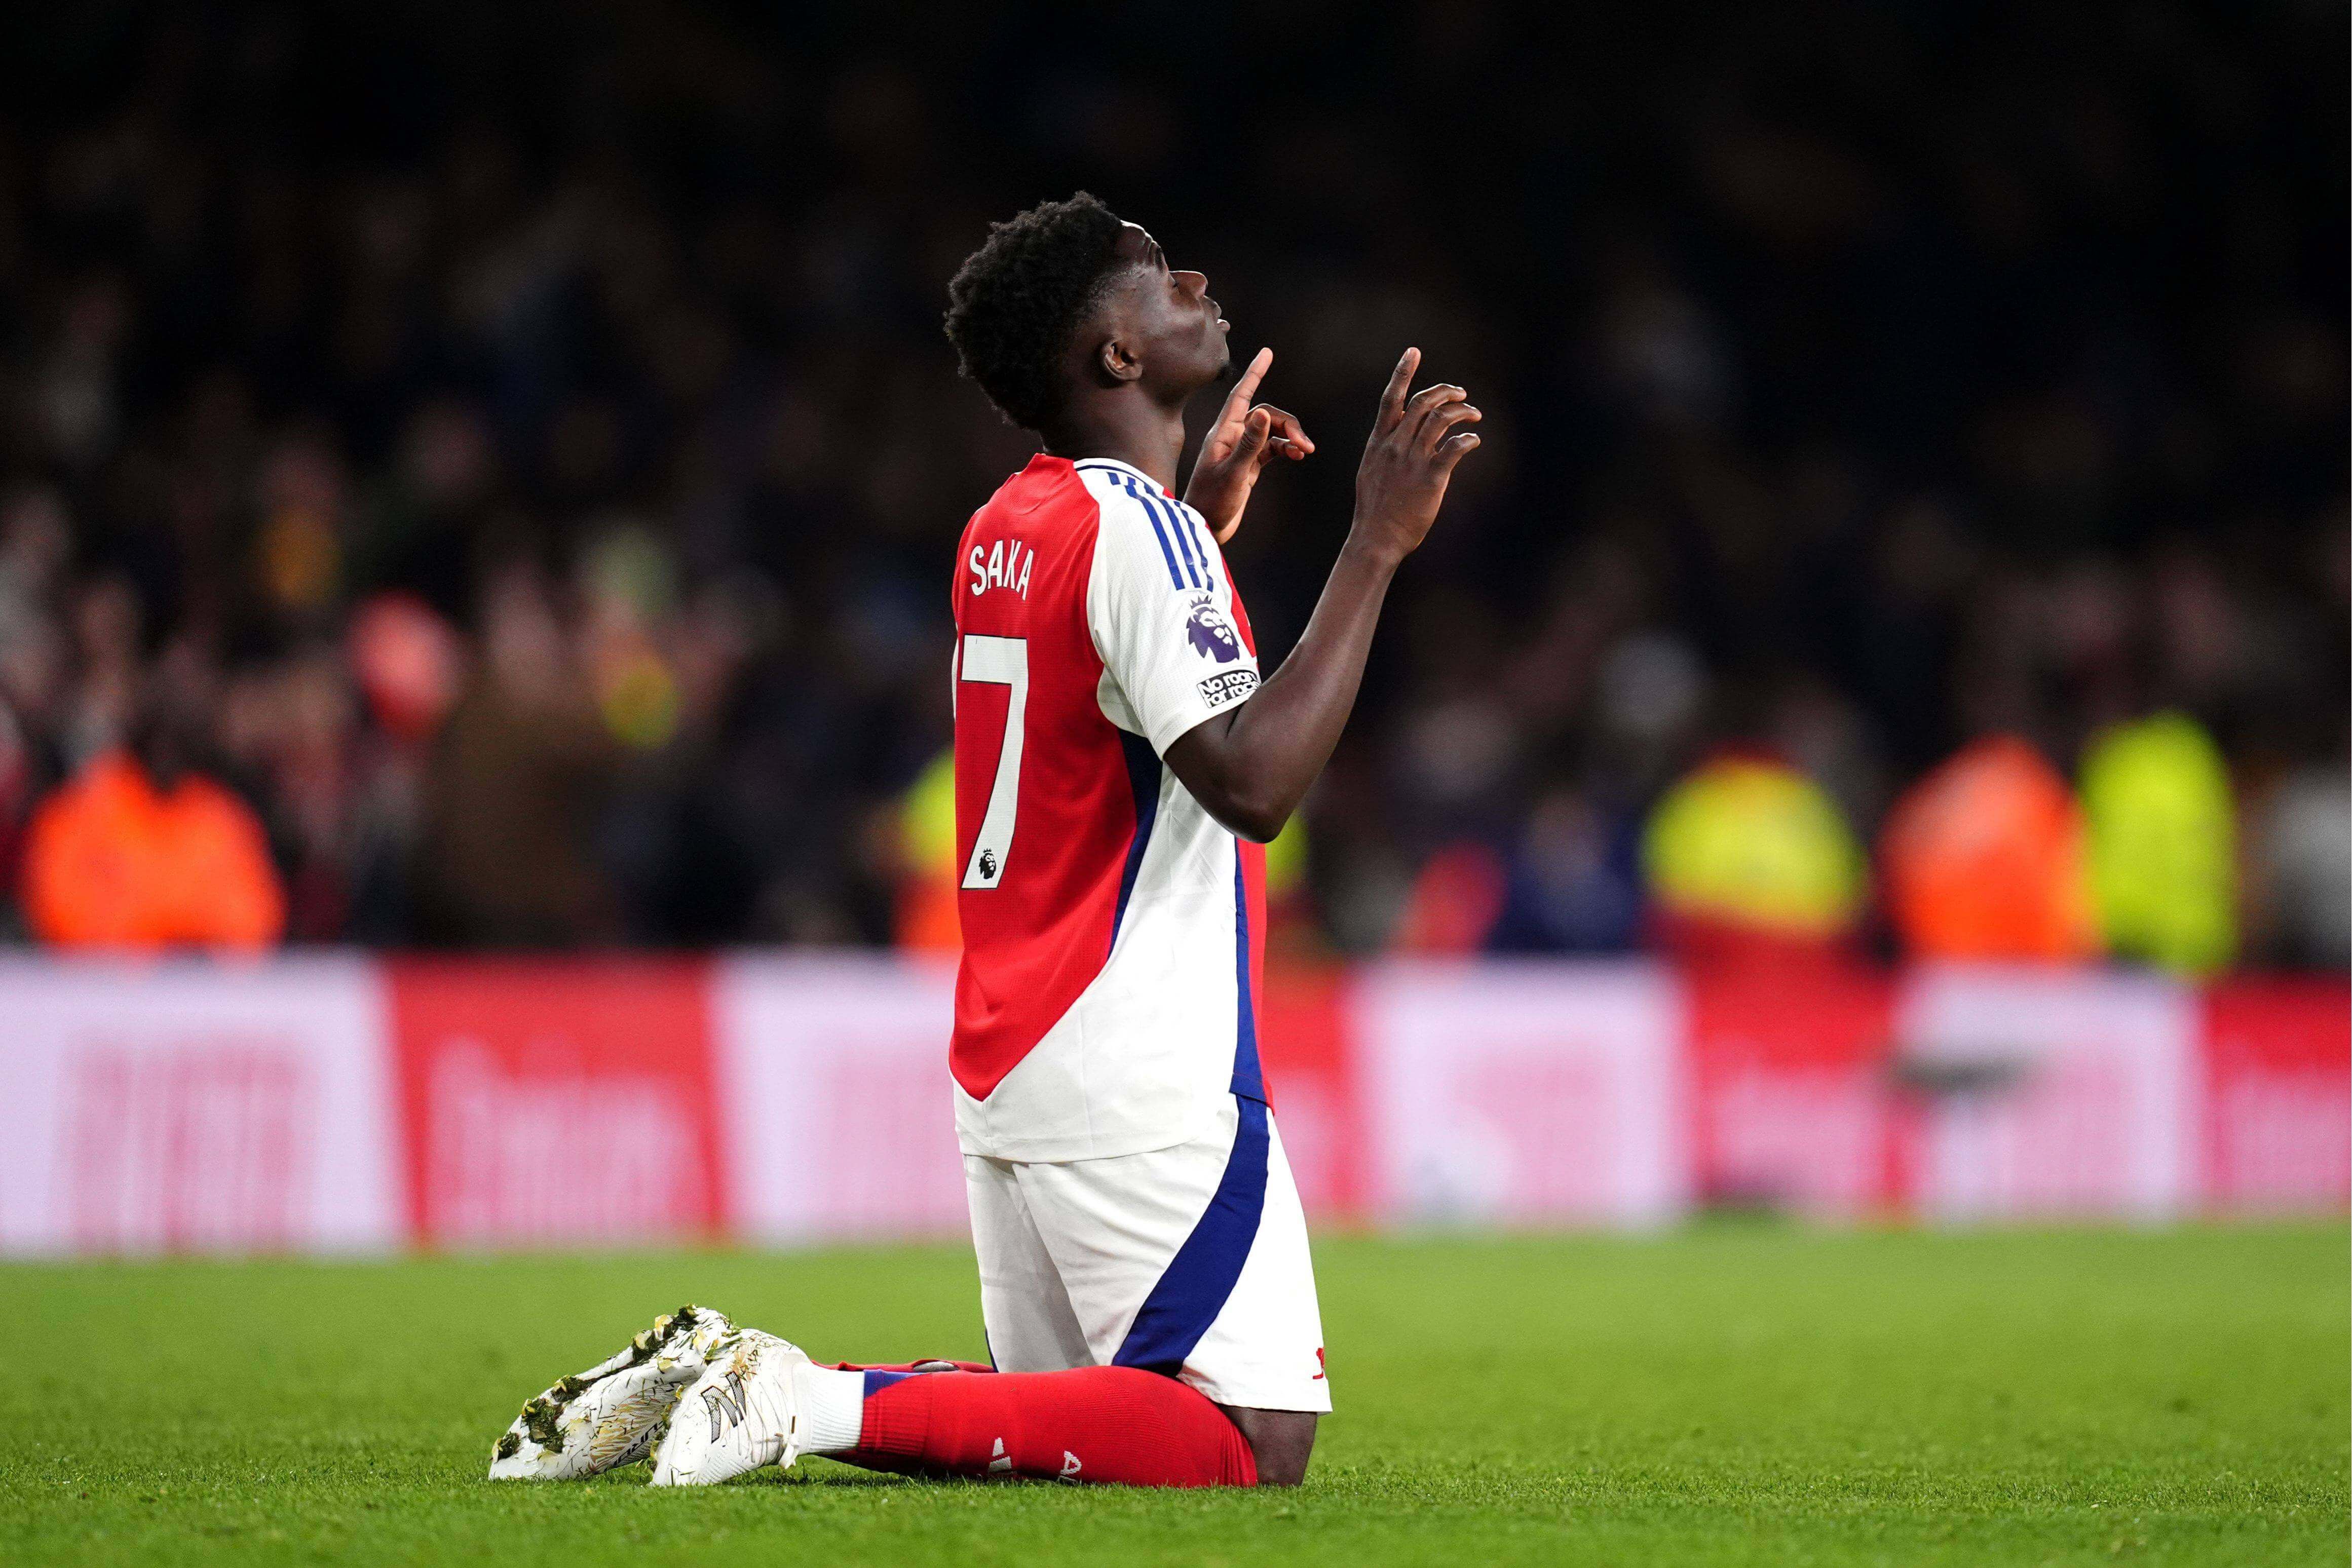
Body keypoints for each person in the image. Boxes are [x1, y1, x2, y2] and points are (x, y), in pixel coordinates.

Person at [488, 193, 1481, 1489]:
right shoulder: (1141, 533)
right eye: (1151, 275)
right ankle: (803, 1395)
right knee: (1247, 1435)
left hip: (1014, 1048)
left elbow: (1101, 673)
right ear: (1115, 358)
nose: (1190, 277)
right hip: (1135, 1057)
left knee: (1066, 1421)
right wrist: (1375, 542)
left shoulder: (1009, 522)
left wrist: (1196, 522)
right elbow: (1251, 784)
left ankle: (733, 1372)